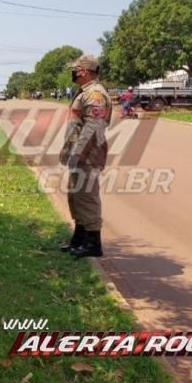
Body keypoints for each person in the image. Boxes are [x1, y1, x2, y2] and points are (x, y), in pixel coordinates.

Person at [59, 55, 112, 258]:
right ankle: (79, 239)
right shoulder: (85, 92)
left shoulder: (95, 94)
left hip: (88, 154)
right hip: (80, 153)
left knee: (87, 196)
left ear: (87, 71)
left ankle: (93, 244)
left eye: (77, 69)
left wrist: (77, 152)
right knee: (76, 196)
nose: (74, 72)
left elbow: (92, 126)